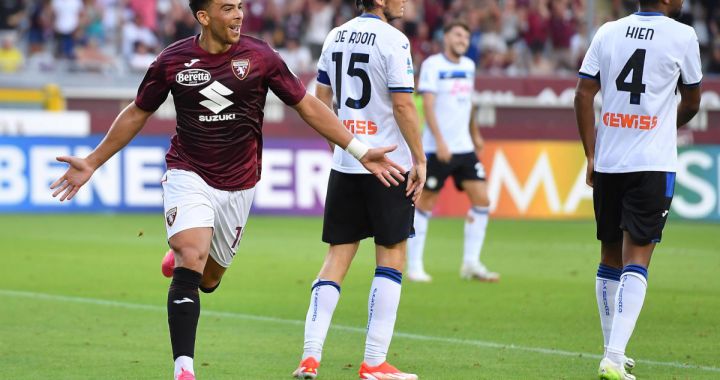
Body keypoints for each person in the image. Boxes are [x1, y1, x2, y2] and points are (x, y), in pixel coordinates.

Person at [49, 1, 406, 379]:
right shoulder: (172, 61)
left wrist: (359, 150)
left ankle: (186, 258)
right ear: (203, 17)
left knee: (210, 278)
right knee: (192, 254)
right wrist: (93, 161)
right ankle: (184, 368)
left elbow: (307, 106)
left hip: (239, 184)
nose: (238, 15)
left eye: (239, 7)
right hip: (188, 172)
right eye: (227, 8)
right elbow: (137, 112)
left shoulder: (261, 56)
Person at [292, 0, 426, 378]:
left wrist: (341, 148)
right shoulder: (395, 40)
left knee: (337, 258)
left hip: (348, 161)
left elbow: (320, 100)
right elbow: (403, 106)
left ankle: (310, 356)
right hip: (389, 164)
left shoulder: (335, 35)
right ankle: (374, 362)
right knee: (392, 257)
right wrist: (420, 159)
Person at [574, 1, 701, 379]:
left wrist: (590, 154)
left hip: (610, 160)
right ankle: (613, 357)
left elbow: (582, 95)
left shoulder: (608, 31)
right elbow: (693, 99)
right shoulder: (683, 35)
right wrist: (662, 125)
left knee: (609, 255)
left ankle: (611, 349)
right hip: (652, 163)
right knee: (638, 258)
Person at [406, 21, 499, 283]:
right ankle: (414, 266)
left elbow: (467, 103)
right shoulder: (433, 65)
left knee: (482, 200)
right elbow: (429, 106)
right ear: (445, 37)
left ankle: (470, 263)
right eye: (458, 35)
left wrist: (475, 133)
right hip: (438, 149)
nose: (462, 40)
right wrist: (440, 141)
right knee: (425, 203)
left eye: (466, 37)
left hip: (464, 147)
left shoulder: (469, 67)